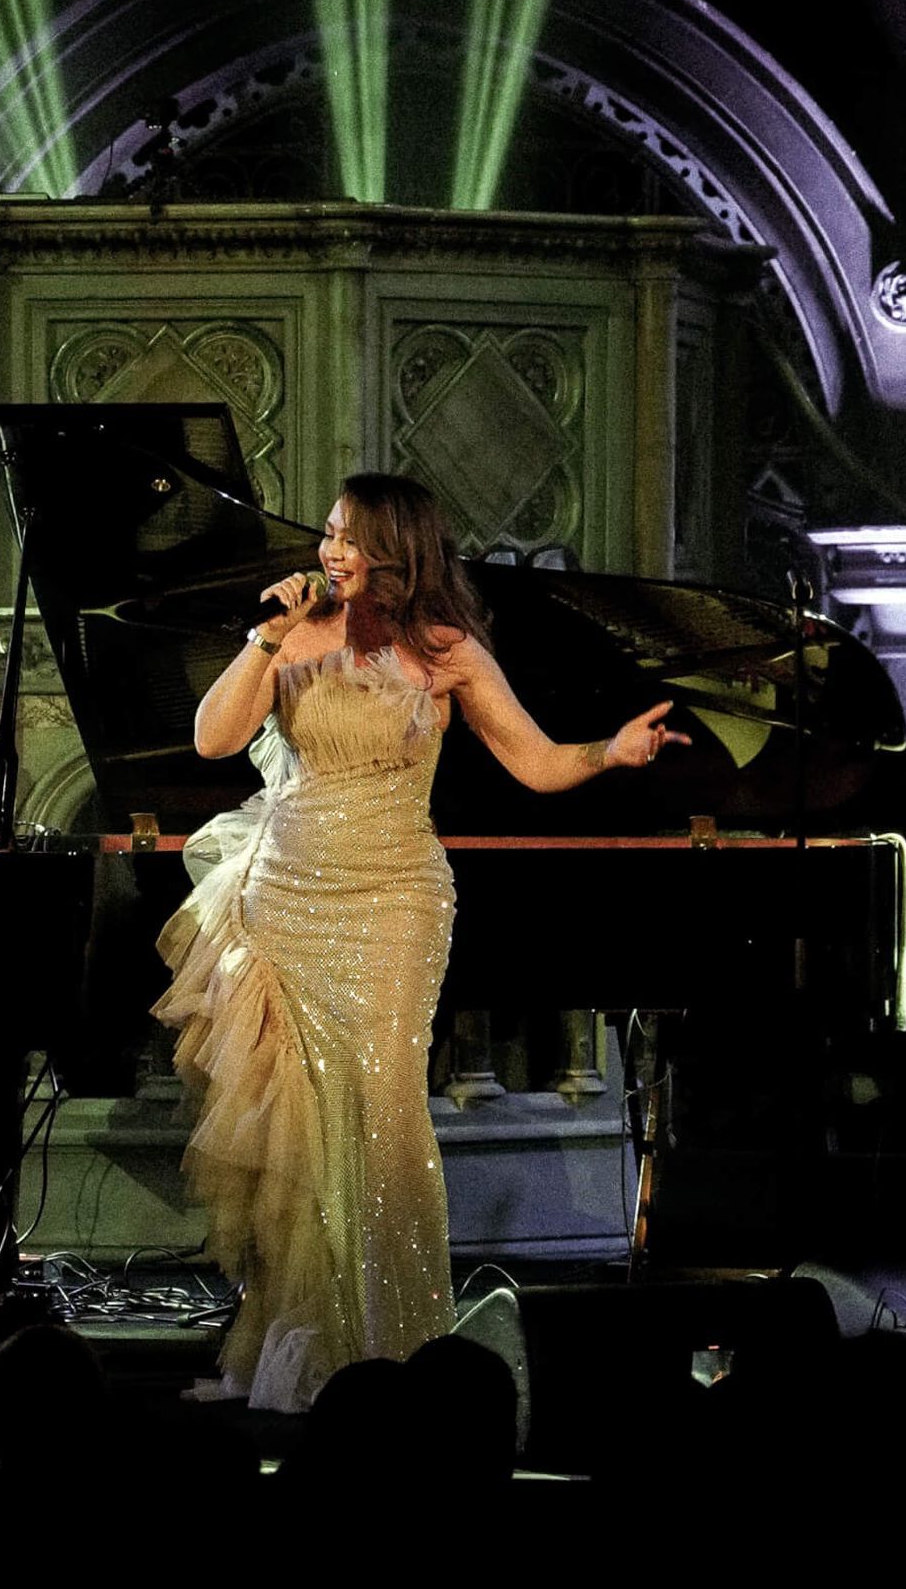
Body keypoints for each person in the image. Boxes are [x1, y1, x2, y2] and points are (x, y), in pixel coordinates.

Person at [153, 472, 688, 1413]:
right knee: (303, 1127)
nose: (330, 550)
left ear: (395, 550)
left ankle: (395, 1346)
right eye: (328, 533)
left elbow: (534, 760)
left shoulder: (447, 651)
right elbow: (212, 739)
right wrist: (265, 636)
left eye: (349, 536)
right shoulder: (289, 636)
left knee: (387, 1112)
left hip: (395, 902)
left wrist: (610, 751)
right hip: (288, 899)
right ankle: (307, 1343)